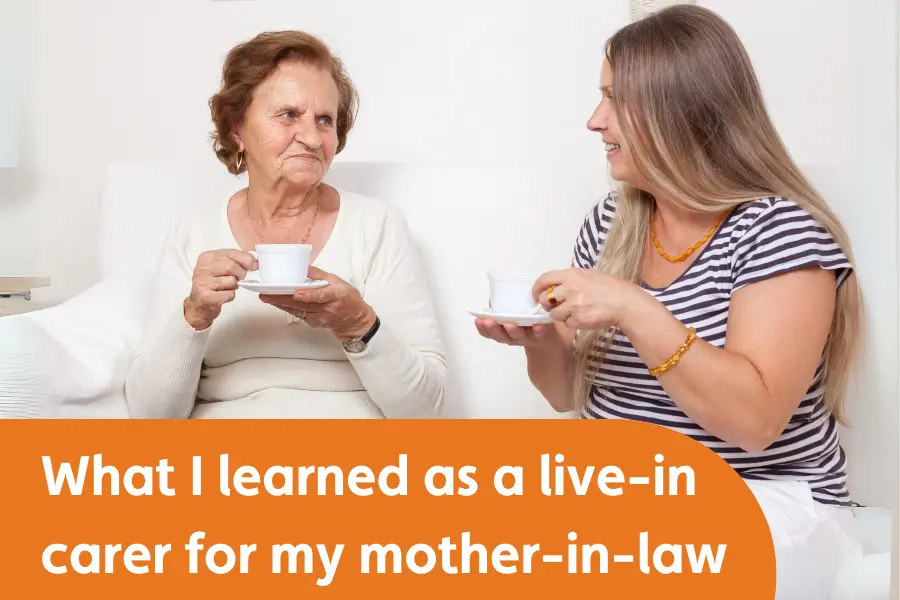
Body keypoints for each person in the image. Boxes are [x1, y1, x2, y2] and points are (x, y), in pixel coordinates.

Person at [474, 6, 863, 598]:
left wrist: (635, 309)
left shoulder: (777, 231)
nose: (593, 121)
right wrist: (541, 342)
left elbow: (753, 423)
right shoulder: (612, 223)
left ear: (680, 109)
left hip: (765, 497)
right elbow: (566, 394)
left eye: (612, 99)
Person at [125, 31, 447, 419]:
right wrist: (194, 314)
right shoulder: (193, 232)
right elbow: (152, 418)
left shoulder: (376, 226)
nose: (312, 137)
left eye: (325, 120)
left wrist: (357, 323)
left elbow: (426, 412)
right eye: (288, 115)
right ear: (236, 129)